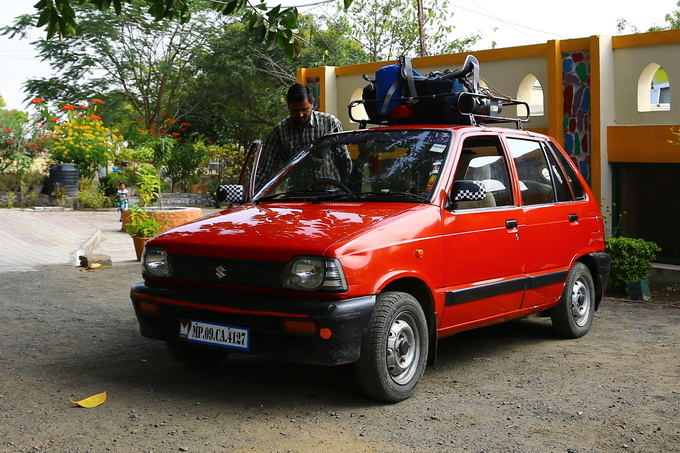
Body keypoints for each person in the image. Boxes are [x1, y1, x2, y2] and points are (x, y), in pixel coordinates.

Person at [255, 83, 344, 190]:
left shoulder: (330, 124)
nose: (300, 114)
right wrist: (249, 195)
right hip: (296, 197)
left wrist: (347, 191)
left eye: (304, 109)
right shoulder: (280, 131)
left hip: (331, 195)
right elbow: (265, 170)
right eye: (295, 110)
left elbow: (344, 160)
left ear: (312, 103)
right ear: (288, 106)